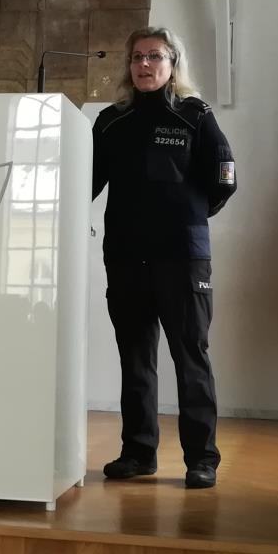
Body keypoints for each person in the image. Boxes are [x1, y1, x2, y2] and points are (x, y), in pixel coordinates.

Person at [92, 27, 236, 489]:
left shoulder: (195, 115)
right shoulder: (111, 122)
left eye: (154, 56)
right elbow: (84, 182)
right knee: (135, 359)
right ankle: (138, 453)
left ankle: (202, 459)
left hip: (183, 258)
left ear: (173, 63)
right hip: (125, 257)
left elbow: (224, 178)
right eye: (137, 57)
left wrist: (186, 216)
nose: (144, 65)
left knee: (191, 358)